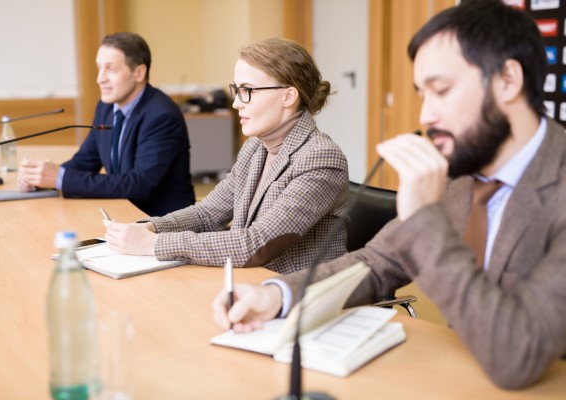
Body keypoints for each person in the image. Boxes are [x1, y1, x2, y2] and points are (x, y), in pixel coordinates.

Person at [212, 0, 566, 390]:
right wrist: (277, 296)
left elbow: (518, 356)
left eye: (442, 91)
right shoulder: (465, 174)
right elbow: (375, 262)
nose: (426, 116)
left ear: (508, 81)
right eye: (422, 94)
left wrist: (424, 220)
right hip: (461, 375)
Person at [102, 38, 349, 274]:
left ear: (288, 96)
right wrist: (150, 227)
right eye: (236, 90)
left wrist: (154, 244)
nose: (236, 104)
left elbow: (255, 245)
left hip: (297, 299)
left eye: (247, 91)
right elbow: (208, 213)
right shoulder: (255, 148)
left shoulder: (320, 158)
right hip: (249, 286)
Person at [17, 32, 195, 216]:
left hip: (164, 224)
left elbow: (139, 184)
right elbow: (85, 161)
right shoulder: (106, 108)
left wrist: (60, 179)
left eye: (110, 69)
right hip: (123, 214)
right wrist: (41, 178)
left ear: (139, 73)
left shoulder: (161, 115)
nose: (100, 78)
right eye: (99, 68)